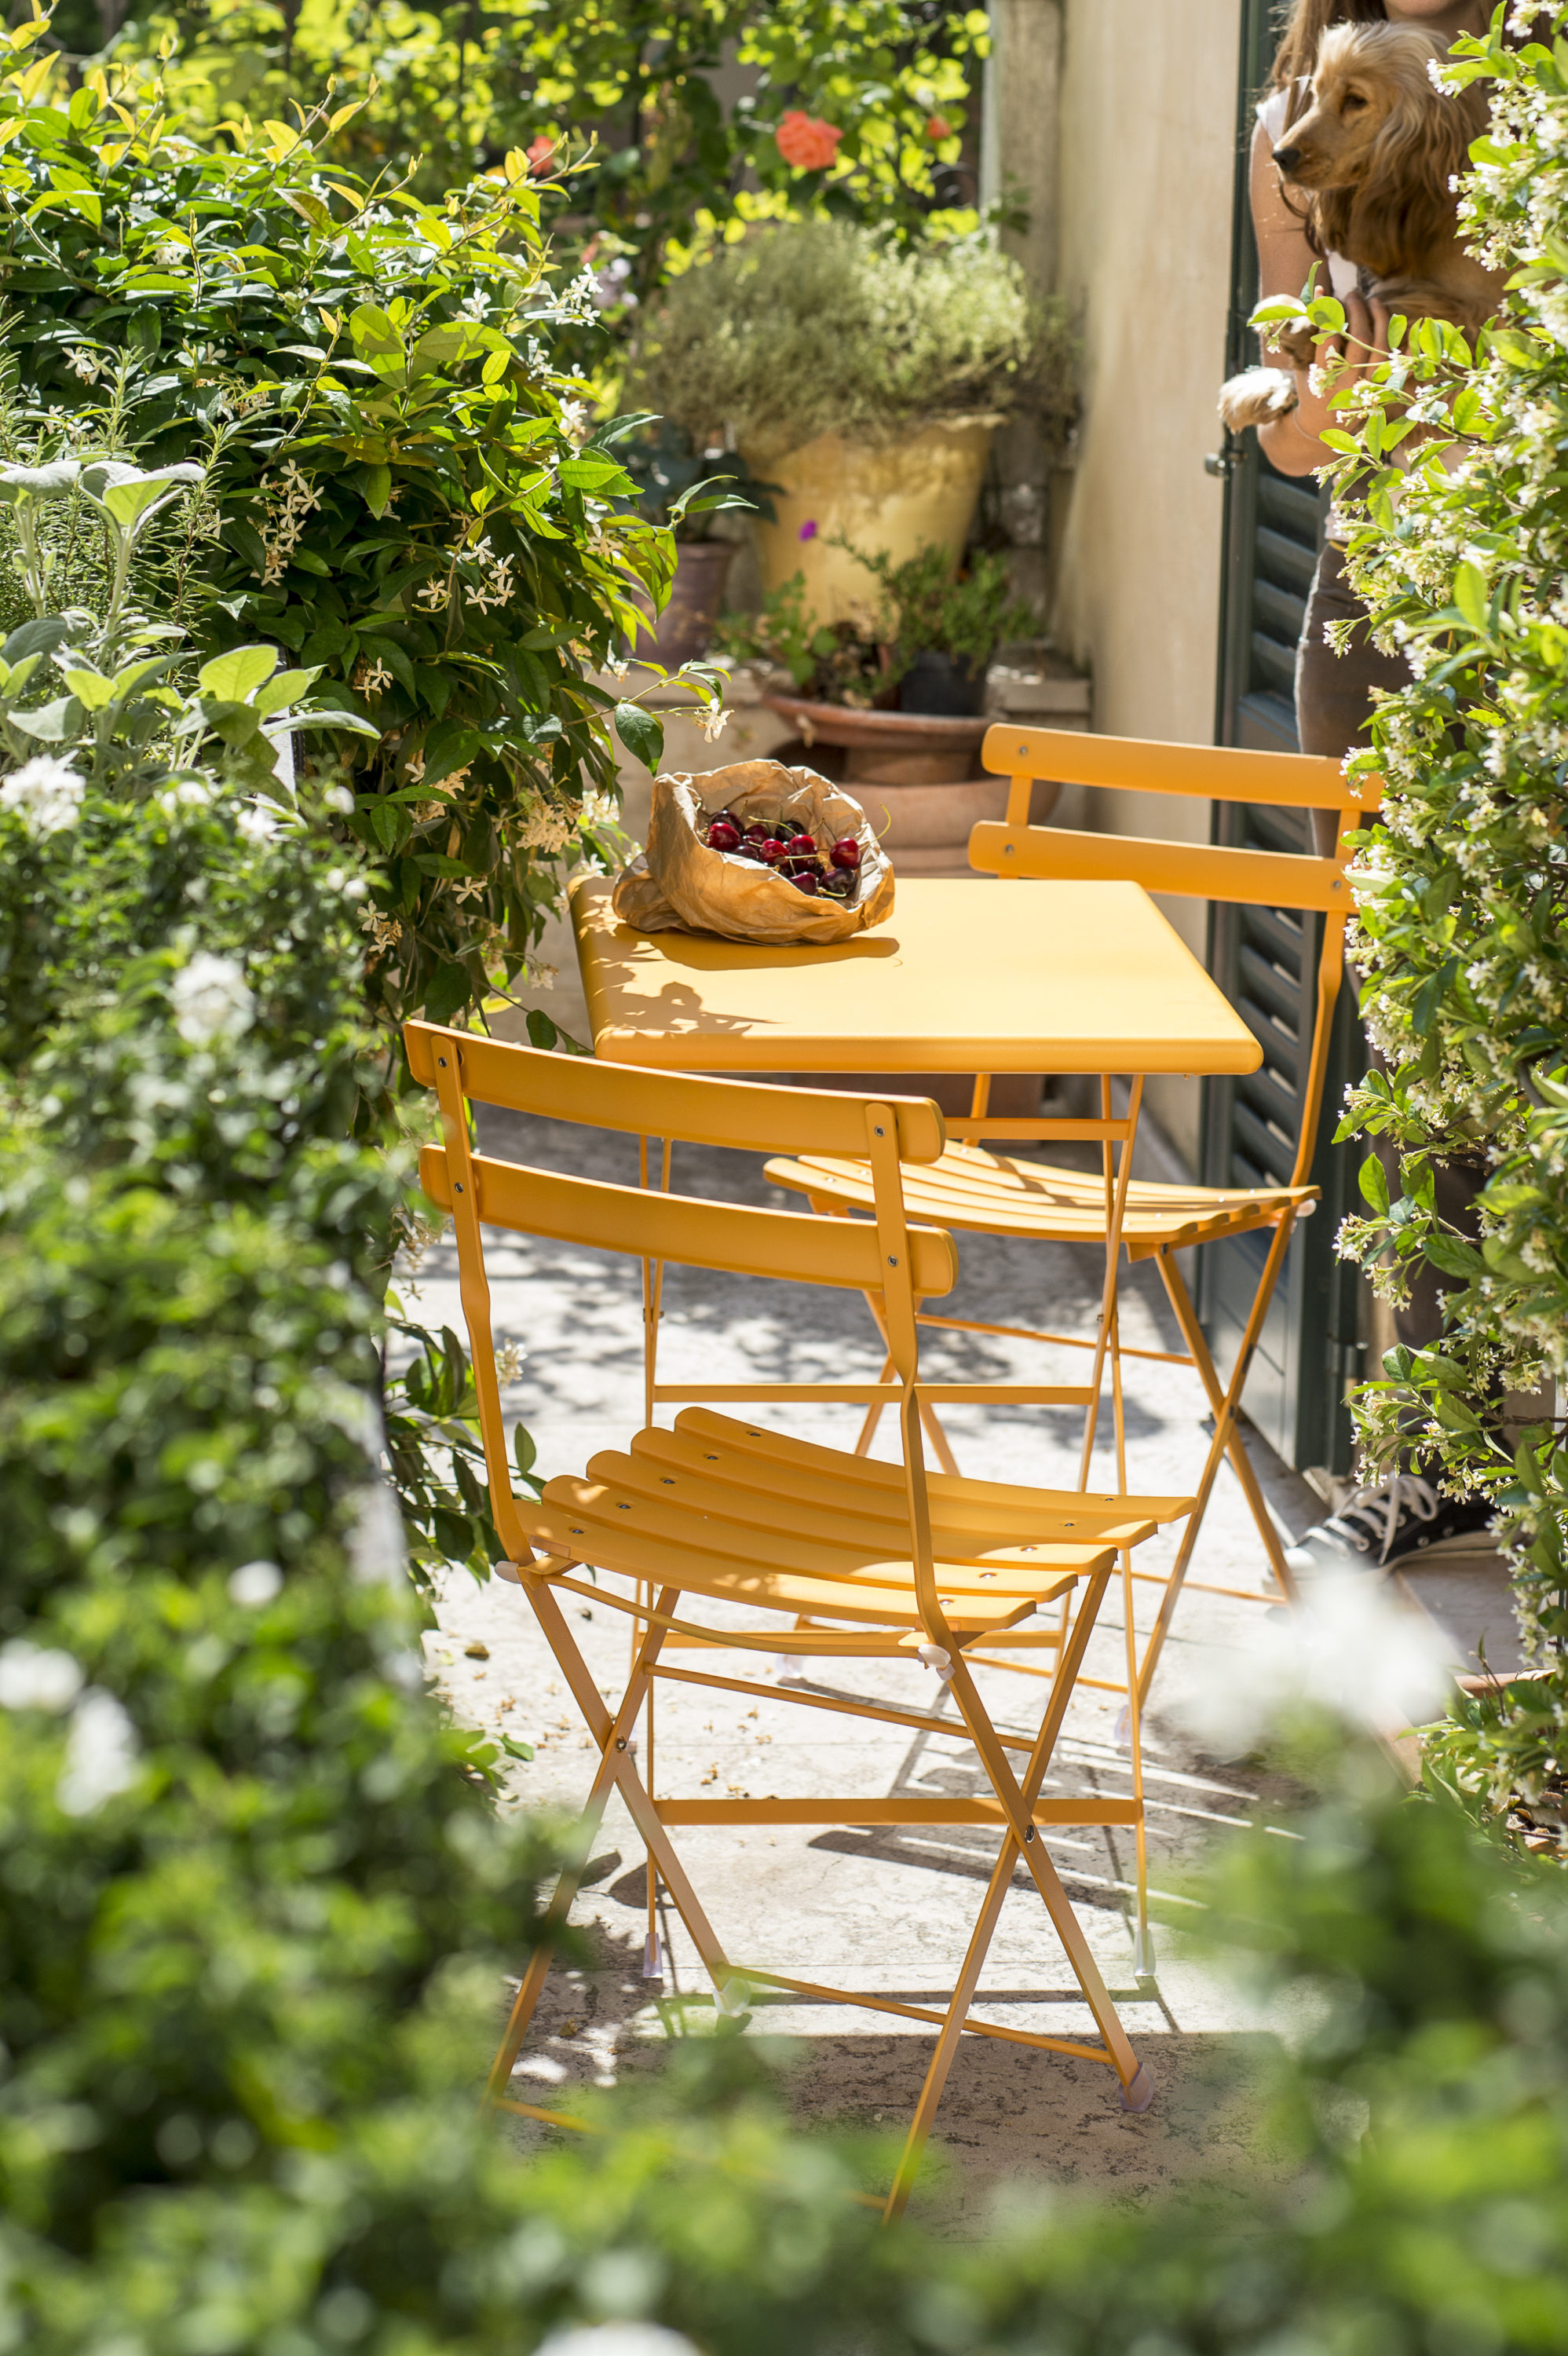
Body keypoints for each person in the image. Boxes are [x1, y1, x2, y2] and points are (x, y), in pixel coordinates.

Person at [1245, 0, 1498, 1580]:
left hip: (1522, 590)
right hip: (1383, 613)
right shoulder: (1293, 89)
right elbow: (1295, 445)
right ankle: (1428, 1459)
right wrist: (1326, 377)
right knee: (1413, 1047)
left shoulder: (1534, 64)